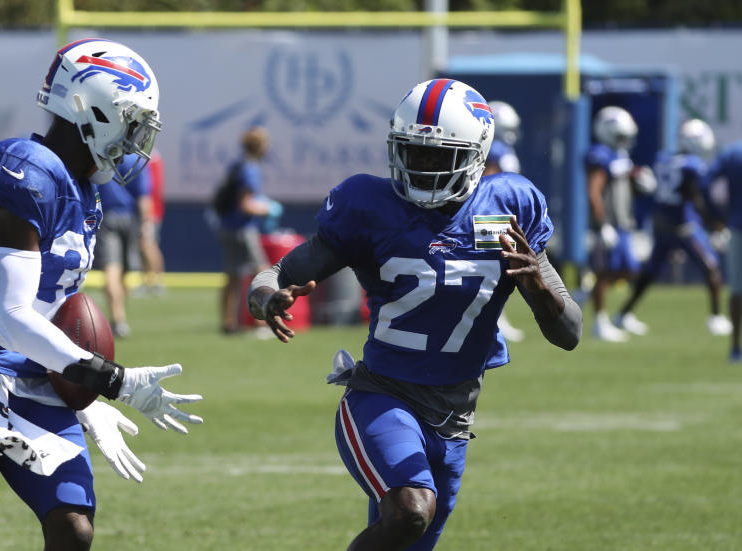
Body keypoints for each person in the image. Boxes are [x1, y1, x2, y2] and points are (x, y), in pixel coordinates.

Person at [247, 79, 582, 551]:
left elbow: (569, 332)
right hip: (381, 395)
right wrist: (266, 299)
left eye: (438, 156)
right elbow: (277, 273)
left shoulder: (508, 207)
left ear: (477, 154)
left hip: (454, 418)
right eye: (413, 152)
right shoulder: (369, 205)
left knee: (405, 532)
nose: (422, 166)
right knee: (410, 511)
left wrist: (538, 288)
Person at [0, 39, 203, 550]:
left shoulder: (84, 192)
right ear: (92, 107)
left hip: (36, 375)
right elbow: (6, 315)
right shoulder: (25, 169)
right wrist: (113, 381)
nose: (137, 142)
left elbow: (54, 311)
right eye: (132, 124)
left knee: (73, 526)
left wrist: (81, 398)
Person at [615, 119, 731, 336]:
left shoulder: (664, 158)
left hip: (661, 222)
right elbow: (694, 196)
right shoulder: (692, 165)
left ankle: (623, 314)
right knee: (711, 267)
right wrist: (713, 222)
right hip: (683, 225)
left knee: (650, 272)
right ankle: (715, 318)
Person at [585, 105, 657, 341]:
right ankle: (600, 322)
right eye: (620, 136)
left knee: (630, 269)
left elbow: (624, 187)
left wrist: (639, 181)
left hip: (623, 221)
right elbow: (594, 192)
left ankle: (587, 293)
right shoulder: (599, 155)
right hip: (609, 223)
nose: (625, 140)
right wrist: (602, 223)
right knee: (605, 273)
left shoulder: (619, 155)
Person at [214, 126, 281, 334]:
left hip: (227, 227)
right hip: (242, 229)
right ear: (260, 146)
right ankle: (264, 323)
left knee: (232, 277)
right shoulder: (250, 168)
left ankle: (228, 323)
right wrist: (268, 208)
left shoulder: (237, 164)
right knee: (263, 273)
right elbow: (246, 204)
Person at [94, 152, 154, 338]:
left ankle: (118, 319)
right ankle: (119, 318)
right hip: (129, 217)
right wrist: (146, 226)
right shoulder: (135, 161)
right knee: (122, 271)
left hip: (107, 215)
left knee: (113, 269)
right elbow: (144, 197)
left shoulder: (102, 157)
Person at [484, 100, 525, 342]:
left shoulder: (503, 149)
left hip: (503, 212)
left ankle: (498, 317)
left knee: (501, 269)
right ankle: (496, 318)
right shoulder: (494, 150)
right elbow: (488, 181)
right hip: (493, 214)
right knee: (496, 269)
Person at [709, 138, 742, 361]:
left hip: (737, 225)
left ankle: (735, 347)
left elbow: (705, 182)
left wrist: (715, 217)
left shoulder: (733, 153)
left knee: (737, 290)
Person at [138, 149, 167, 295]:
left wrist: (148, 213)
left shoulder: (151, 160)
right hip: (151, 210)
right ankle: (148, 280)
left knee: (148, 245)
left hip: (151, 211)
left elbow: (149, 190)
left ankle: (156, 281)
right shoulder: (152, 159)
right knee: (147, 245)